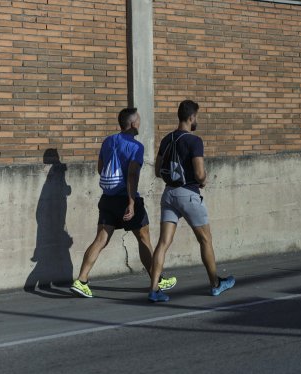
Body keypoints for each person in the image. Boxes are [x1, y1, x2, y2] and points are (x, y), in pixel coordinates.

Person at [70, 108, 176, 298]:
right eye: (139, 121)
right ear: (133, 124)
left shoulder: (108, 141)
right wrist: (131, 202)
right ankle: (157, 281)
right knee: (144, 239)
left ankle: (81, 280)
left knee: (101, 239)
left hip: (107, 199)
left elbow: (101, 168)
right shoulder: (136, 147)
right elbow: (132, 175)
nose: (140, 124)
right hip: (126, 199)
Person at [147, 100, 235, 302]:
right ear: (191, 117)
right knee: (205, 239)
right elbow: (199, 172)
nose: (197, 120)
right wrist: (203, 180)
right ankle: (215, 284)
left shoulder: (167, 139)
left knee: (163, 242)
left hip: (168, 194)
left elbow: (157, 170)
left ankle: (153, 290)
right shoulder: (194, 141)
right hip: (189, 195)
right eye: (197, 116)